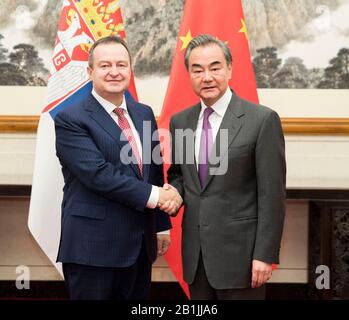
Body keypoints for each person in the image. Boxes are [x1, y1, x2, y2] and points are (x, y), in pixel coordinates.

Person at [55, 36, 181, 300]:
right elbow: (98, 174)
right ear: (90, 72)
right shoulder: (71, 119)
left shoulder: (143, 113)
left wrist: (160, 225)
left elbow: (153, 171)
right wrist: (159, 197)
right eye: (105, 65)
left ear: (130, 70)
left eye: (121, 65)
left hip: (139, 248)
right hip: (92, 250)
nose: (114, 72)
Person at [164, 34, 286, 300]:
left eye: (215, 68)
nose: (207, 77)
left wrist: (265, 255)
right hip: (196, 258)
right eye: (198, 70)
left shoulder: (261, 120)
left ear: (230, 69)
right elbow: (182, 175)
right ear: (189, 74)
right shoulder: (181, 121)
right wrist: (174, 191)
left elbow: (272, 195)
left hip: (242, 259)